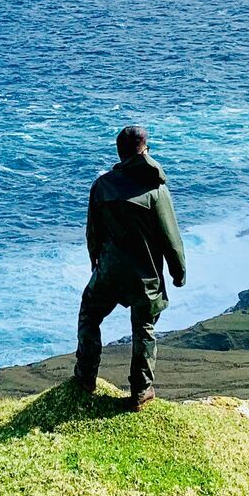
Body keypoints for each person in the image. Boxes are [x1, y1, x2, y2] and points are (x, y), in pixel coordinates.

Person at [73, 124, 186, 409]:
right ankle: (141, 390)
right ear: (145, 149)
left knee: (89, 314)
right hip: (144, 275)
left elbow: (93, 234)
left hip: (109, 271)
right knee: (144, 328)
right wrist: (178, 272)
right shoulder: (156, 189)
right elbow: (170, 237)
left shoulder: (101, 186)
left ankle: (85, 377)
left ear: (120, 152)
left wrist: (95, 264)